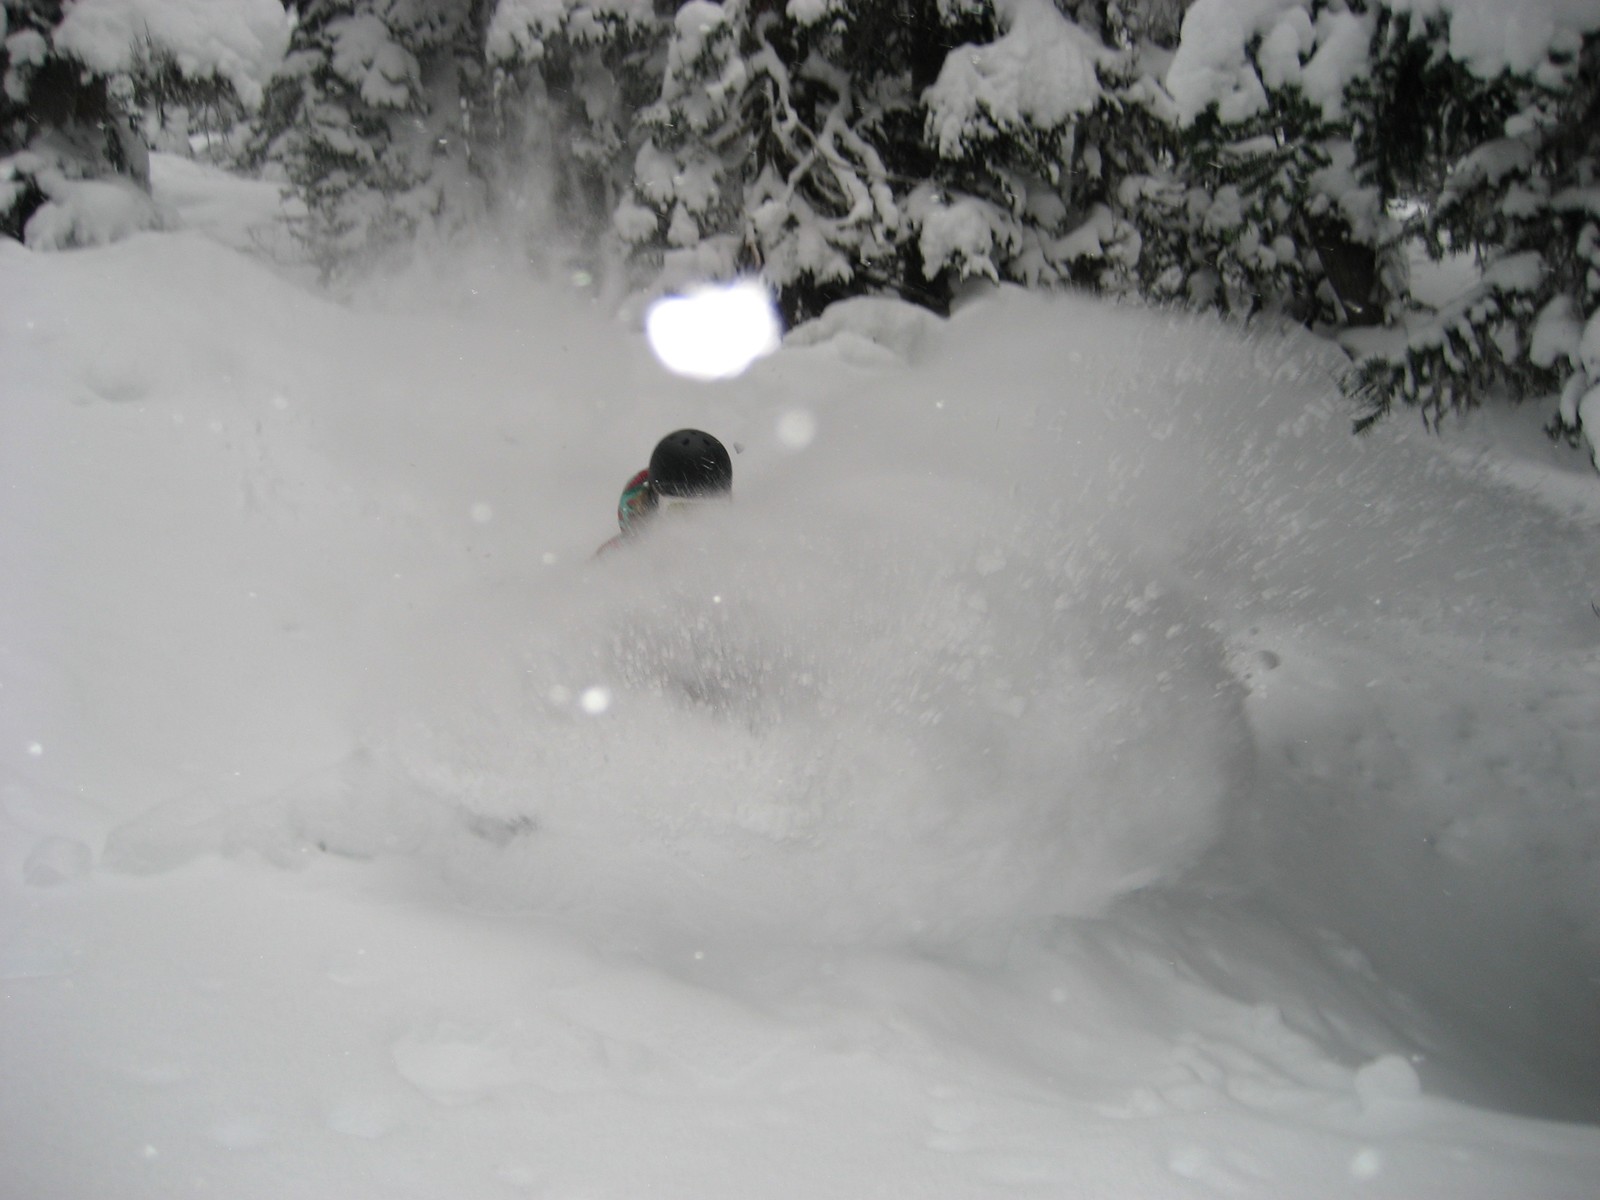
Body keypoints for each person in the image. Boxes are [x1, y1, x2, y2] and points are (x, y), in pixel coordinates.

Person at [596, 429, 732, 556]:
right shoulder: (620, 555)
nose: (692, 529)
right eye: (679, 511)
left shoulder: (730, 551)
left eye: (707, 513)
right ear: (649, 506)